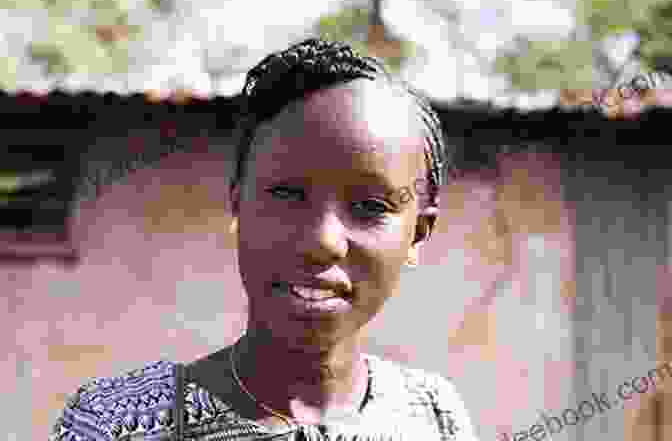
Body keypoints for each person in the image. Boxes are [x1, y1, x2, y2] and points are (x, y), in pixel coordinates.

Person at [49, 38, 480, 440]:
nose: (322, 241)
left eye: (370, 206)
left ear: (418, 236)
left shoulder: (434, 416)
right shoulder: (114, 424)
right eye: (288, 194)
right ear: (239, 207)